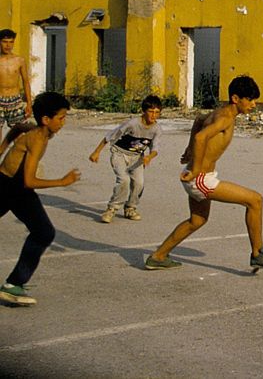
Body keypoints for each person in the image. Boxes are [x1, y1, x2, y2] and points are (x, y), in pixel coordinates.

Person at [144, 75, 263, 270]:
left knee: (197, 220)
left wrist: (189, 151)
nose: (254, 104)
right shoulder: (225, 118)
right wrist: (196, 167)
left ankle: (158, 257)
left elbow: (198, 121)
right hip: (200, 179)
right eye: (250, 99)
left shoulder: (220, 112)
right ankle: (258, 253)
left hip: (196, 176)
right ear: (236, 98)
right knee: (255, 200)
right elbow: (201, 136)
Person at [0, 91, 80, 306]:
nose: (63, 122)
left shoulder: (42, 131)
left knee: (43, 232)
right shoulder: (36, 138)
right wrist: (62, 182)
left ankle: (13, 284)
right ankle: (13, 285)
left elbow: (16, 127)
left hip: (10, 185)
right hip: (12, 187)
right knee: (44, 232)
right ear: (46, 120)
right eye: (61, 118)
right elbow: (29, 181)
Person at [89, 95, 163, 223]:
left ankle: (130, 208)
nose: (153, 115)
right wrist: (96, 152)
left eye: (157, 112)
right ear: (144, 111)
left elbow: (155, 148)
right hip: (119, 154)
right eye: (151, 111)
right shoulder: (133, 124)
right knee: (123, 180)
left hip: (137, 157)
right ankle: (111, 209)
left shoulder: (157, 129)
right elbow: (110, 136)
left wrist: (148, 157)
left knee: (139, 183)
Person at [0, 29, 32, 136]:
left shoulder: (19, 60)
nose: (8, 45)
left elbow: (26, 82)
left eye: (11, 42)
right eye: (5, 42)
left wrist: (29, 104)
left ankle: (18, 153)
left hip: (15, 100)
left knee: (19, 135)